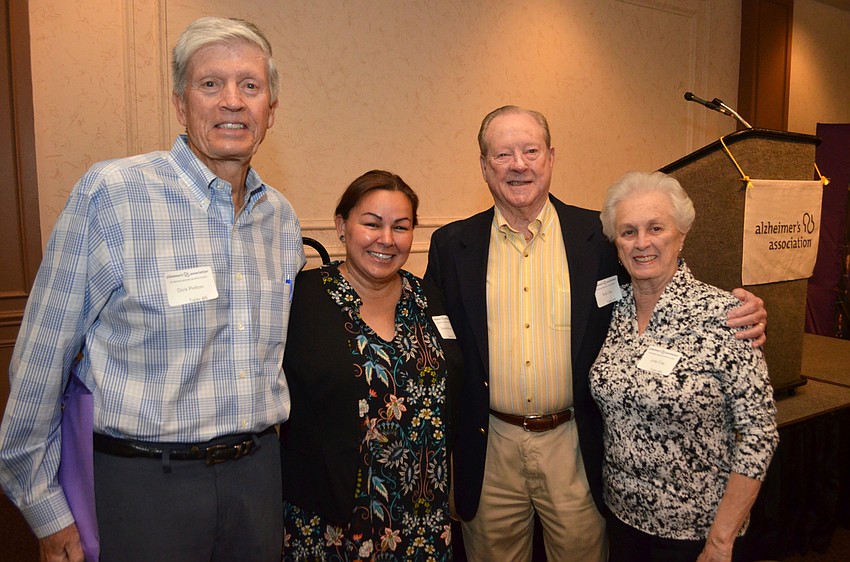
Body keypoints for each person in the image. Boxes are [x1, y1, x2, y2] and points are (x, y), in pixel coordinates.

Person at [0, 16, 304, 562]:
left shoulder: (279, 218)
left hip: (256, 479)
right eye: (210, 84)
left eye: (250, 86)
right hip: (143, 489)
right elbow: (41, 359)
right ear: (181, 104)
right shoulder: (114, 195)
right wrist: (44, 507)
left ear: (271, 112)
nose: (232, 101)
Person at [424, 105, 768, 562]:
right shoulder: (452, 245)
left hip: (575, 442)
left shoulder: (601, 238)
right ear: (484, 166)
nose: (519, 165)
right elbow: (432, 331)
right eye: (502, 154)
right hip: (490, 447)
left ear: (551, 157)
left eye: (530, 150)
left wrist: (742, 310)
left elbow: (658, 275)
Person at [590, 171, 778, 561]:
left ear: (681, 235)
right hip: (621, 519)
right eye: (628, 232)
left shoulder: (725, 316)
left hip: (698, 533)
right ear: (616, 243)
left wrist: (721, 540)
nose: (642, 243)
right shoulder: (609, 312)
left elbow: (759, 433)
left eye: (656, 228)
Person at [280, 170, 463, 561]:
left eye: (401, 226)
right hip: (332, 519)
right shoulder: (303, 301)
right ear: (341, 226)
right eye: (371, 223)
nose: (386, 239)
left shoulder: (429, 299)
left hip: (422, 516)